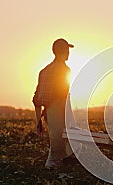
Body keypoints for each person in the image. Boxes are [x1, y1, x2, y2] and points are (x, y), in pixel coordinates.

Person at [32, 38, 75, 169]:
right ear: (63, 51)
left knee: (61, 137)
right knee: (60, 138)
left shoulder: (44, 70)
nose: (69, 53)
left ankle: (66, 160)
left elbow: (36, 98)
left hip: (49, 112)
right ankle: (52, 165)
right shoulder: (65, 70)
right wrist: (69, 117)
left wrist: (39, 119)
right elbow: (64, 94)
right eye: (67, 50)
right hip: (59, 108)